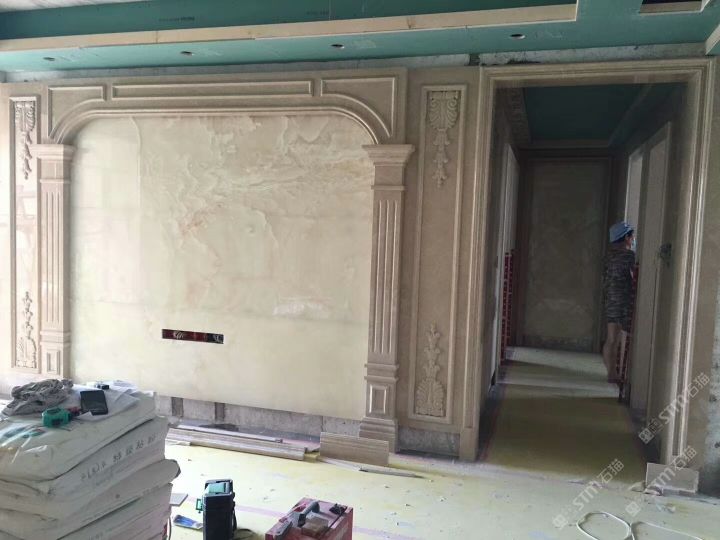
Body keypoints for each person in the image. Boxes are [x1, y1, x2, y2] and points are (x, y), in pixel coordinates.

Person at [602, 221, 636, 383]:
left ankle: (611, 372)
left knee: (611, 339)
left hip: (610, 299)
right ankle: (613, 374)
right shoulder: (628, 256)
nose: (633, 240)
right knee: (619, 338)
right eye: (632, 237)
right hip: (622, 300)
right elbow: (635, 275)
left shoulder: (608, 256)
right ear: (626, 238)